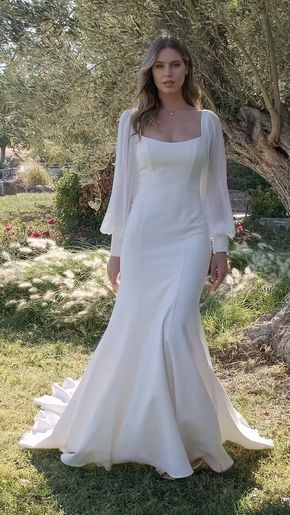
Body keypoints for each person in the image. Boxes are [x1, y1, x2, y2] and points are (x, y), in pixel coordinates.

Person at [19, 33, 274, 480]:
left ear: (187, 69)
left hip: (191, 236)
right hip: (143, 239)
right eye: (161, 66)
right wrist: (116, 252)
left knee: (177, 327)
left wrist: (220, 246)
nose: (169, 73)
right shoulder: (131, 122)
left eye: (176, 64)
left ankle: (188, 435)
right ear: (150, 72)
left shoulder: (207, 123)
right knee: (136, 330)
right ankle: (146, 430)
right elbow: (124, 194)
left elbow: (214, 191)